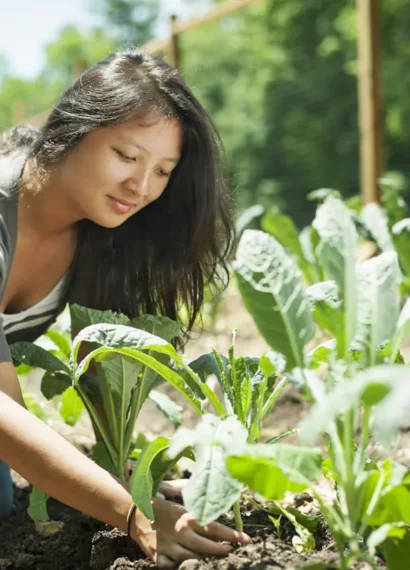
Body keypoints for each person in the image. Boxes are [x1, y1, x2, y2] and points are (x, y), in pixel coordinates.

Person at [0, 49, 251, 568]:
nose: (142, 187)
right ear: (70, 130)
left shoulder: (99, 235)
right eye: (127, 156)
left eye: (163, 170)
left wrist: (134, 477)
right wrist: (131, 509)